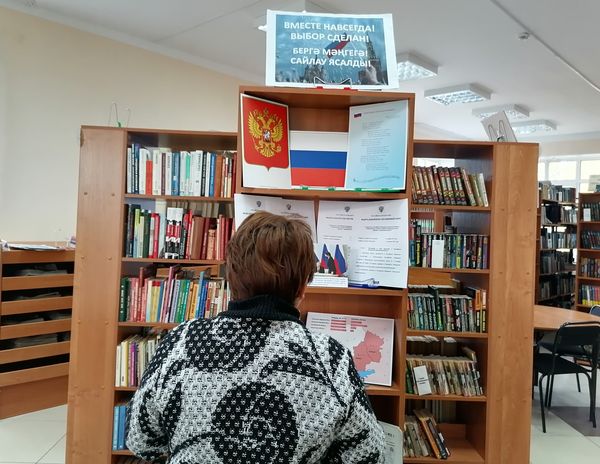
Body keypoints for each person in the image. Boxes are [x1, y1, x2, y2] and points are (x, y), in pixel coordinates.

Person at [126, 211, 385, 463]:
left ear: (231, 278)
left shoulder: (180, 342)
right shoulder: (330, 358)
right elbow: (369, 454)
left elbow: (141, 442)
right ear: (302, 288)